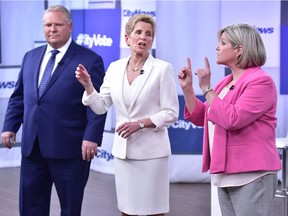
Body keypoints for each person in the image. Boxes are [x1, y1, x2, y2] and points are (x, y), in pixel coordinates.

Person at [1, 5, 106, 216]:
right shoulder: (30, 57)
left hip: (70, 150)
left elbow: (97, 103)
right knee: (31, 208)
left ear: (70, 26)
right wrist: (9, 127)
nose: (52, 29)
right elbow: (19, 97)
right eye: (48, 25)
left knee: (69, 208)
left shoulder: (90, 60)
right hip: (33, 149)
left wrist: (92, 137)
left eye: (58, 24)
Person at [75, 14, 179, 216]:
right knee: (127, 211)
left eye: (148, 34)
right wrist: (88, 86)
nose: (143, 37)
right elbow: (101, 106)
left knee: (153, 211)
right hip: (124, 154)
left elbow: (171, 113)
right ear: (127, 38)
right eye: (138, 32)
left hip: (152, 155)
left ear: (152, 40)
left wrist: (140, 123)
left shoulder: (162, 69)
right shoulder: (114, 68)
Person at [178, 23, 281, 216]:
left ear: (239, 49)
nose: (217, 47)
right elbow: (204, 117)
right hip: (227, 173)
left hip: (251, 173)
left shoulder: (261, 81)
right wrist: (188, 89)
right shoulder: (225, 82)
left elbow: (233, 119)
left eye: (223, 43)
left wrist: (207, 88)